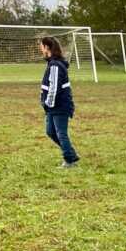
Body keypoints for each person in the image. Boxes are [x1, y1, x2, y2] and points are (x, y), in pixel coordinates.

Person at [39, 37, 79, 167]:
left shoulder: (55, 65)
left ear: (47, 47)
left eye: (41, 46)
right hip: (53, 107)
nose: (41, 49)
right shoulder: (52, 64)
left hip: (59, 106)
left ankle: (69, 160)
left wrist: (47, 103)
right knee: (50, 131)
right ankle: (71, 154)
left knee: (61, 133)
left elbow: (54, 87)